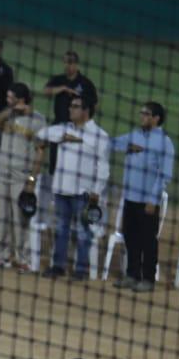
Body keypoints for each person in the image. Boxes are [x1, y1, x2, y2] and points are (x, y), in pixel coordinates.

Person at [36, 95, 110, 280]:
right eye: (71, 106)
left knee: (84, 232)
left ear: (86, 111)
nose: (71, 109)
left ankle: (81, 270)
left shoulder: (100, 136)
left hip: (84, 193)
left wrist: (97, 191)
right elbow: (41, 134)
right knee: (61, 229)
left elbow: (104, 167)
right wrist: (63, 136)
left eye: (75, 106)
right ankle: (59, 266)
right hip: (61, 189)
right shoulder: (63, 129)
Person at [110, 101, 175, 292]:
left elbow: (165, 175)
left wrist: (153, 200)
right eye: (142, 114)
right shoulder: (135, 135)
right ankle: (132, 275)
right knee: (131, 238)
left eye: (146, 114)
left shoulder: (164, 142)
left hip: (148, 200)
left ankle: (147, 279)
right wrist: (128, 146)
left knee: (148, 240)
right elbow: (112, 144)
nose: (142, 117)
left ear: (156, 118)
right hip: (130, 197)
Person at [0, 83, 47, 269]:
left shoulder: (38, 120)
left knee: (20, 218)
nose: (7, 100)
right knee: (3, 215)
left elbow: (40, 152)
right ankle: (1, 254)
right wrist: (10, 109)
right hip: (2, 172)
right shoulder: (6, 115)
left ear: (21, 99)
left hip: (22, 175)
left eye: (11, 97)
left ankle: (22, 258)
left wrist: (32, 180)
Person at [43, 50, 98, 124]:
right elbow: (46, 91)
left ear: (76, 64)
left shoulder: (86, 83)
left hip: (77, 125)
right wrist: (63, 88)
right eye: (65, 62)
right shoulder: (58, 79)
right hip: (59, 123)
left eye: (70, 63)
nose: (67, 65)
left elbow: (94, 105)